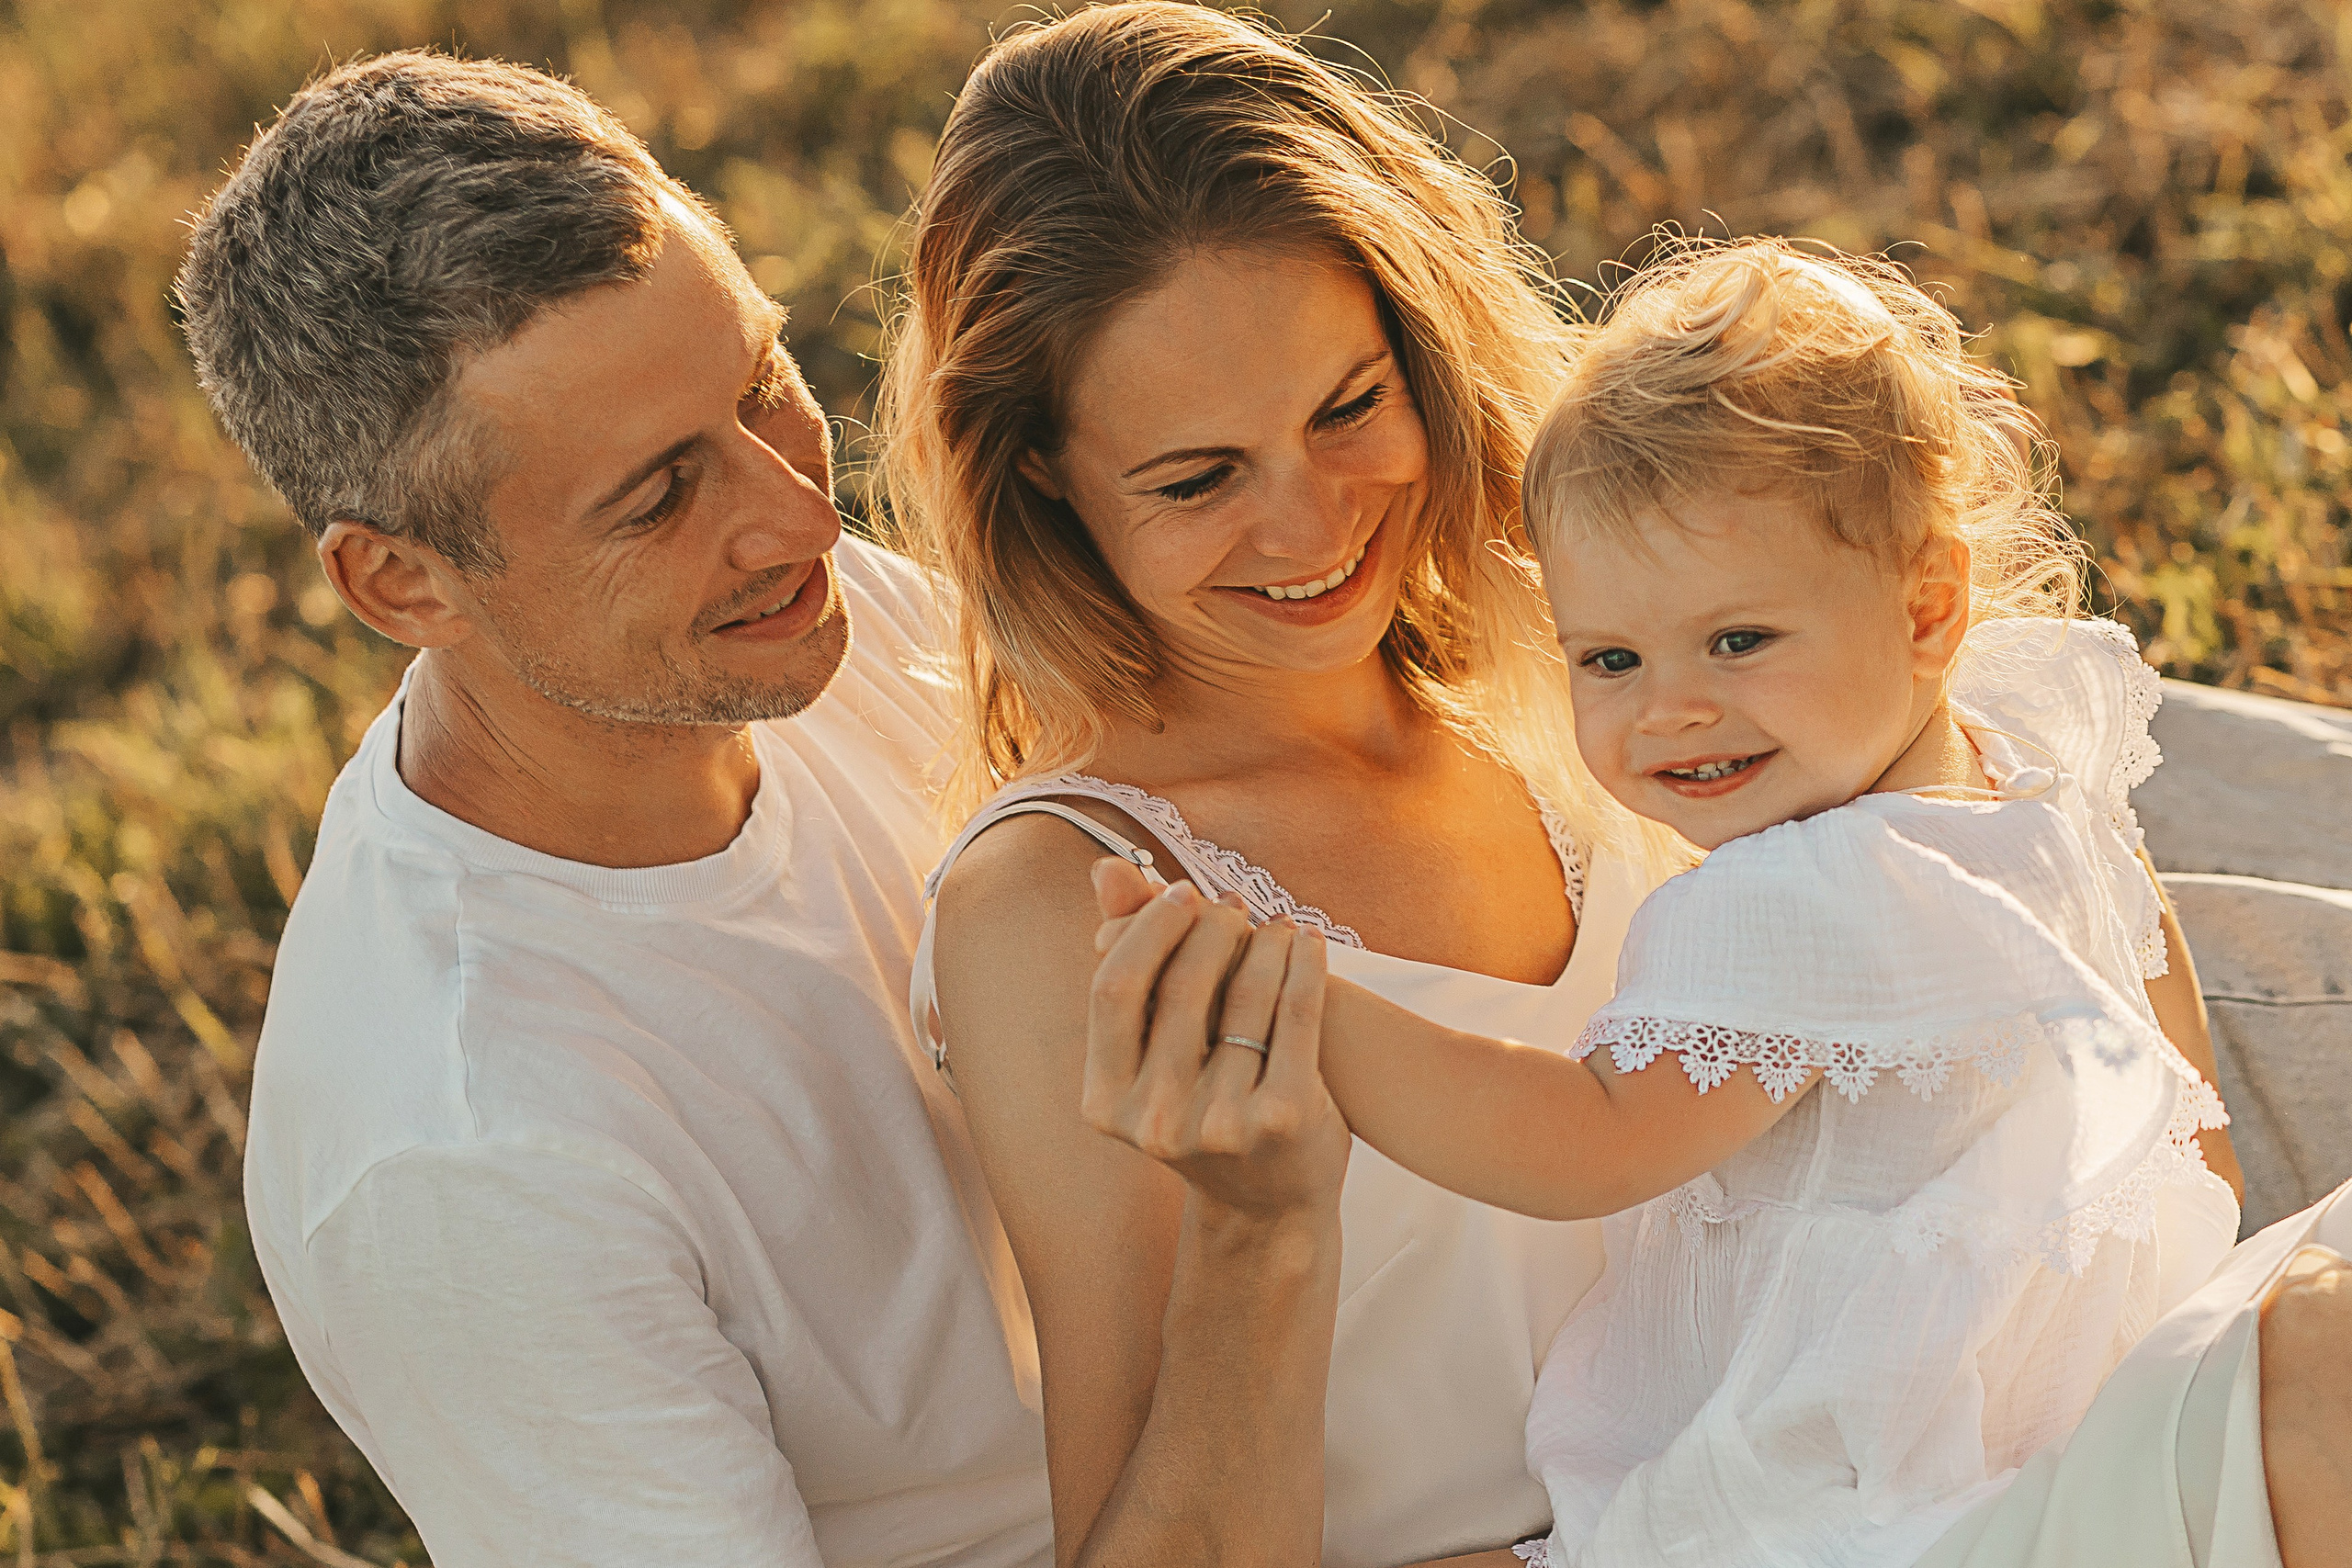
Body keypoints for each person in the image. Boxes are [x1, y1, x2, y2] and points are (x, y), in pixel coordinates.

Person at [877, 10, 2245, 1567]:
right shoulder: (1079, 910)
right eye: (1196, 478)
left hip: (1961, 1475)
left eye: (1347, 409)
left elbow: (2153, 1089)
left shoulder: (1623, 665)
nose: (1313, 524)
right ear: (1041, 472)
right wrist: (1263, 1223)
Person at [1086, 242, 2352, 1567]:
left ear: (1927, 608)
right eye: (1612, 658)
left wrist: (1302, 1005)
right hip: (2033, 1419)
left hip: (1860, 1495)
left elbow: (1581, 1142)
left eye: (1737, 641)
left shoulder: (1797, 893)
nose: (1670, 709)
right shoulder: (2026, 762)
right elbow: (2189, 1106)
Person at [176, 53, 1050, 1567]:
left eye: (764, 384)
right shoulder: (473, 1159)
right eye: (655, 497)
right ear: (403, 582)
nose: (797, 513)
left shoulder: (772, 628)